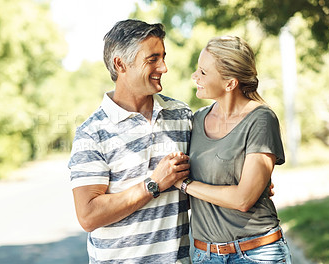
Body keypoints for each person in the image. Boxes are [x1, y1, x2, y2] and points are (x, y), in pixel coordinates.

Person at [68, 19, 192, 263]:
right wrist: (153, 184)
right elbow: (88, 216)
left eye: (163, 57)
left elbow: (202, 179)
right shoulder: (92, 133)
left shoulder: (182, 116)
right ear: (120, 64)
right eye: (152, 59)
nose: (164, 67)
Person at [174, 36, 292, 263]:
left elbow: (243, 199)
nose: (194, 76)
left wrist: (185, 185)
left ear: (230, 84)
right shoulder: (196, 121)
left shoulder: (261, 119)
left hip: (256, 253)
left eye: (203, 72)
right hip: (204, 255)